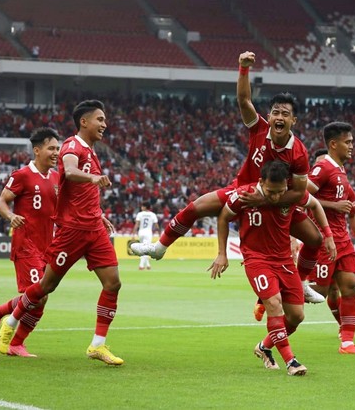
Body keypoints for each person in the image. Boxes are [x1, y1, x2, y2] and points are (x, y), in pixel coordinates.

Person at [132, 51, 333, 303]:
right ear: (269, 116)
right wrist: (242, 68)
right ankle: (159, 248)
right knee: (196, 207)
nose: (279, 117)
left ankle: (301, 281)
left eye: (285, 114)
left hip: (278, 200)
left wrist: (265, 200)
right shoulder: (259, 128)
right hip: (243, 188)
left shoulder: (299, 152)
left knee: (314, 240)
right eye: (275, 112)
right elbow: (243, 99)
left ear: (294, 120)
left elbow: (301, 192)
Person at [0, 100, 124, 365]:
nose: (105, 124)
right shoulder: (71, 146)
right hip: (72, 231)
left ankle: (97, 345)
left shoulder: (93, 151)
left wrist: (100, 215)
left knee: (113, 282)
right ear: (84, 122)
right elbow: (71, 169)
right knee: (46, 286)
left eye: (105, 119)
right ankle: (10, 320)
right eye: (100, 119)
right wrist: (91, 178)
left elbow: (84, 193)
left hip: (94, 230)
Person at [209, 160, 334, 376]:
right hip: (257, 260)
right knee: (274, 305)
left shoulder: (291, 196)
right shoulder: (244, 196)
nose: (276, 197)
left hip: (284, 262)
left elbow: (315, 205)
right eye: (270, 192)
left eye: (280, 192)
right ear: (260, 182)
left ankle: (264, 347)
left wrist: (328, 235)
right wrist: (222, 253)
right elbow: (223, 216)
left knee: (296, 316)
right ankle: (291, 361)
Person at [0, 128, 60, 357]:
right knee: (39, 295)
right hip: (26, 243)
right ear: (37, 150)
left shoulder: (57, 178)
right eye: (51, 148)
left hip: (48, 246)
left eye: (58, 148)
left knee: (40, 297)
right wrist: (11, 216)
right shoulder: (22, 175)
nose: (56, 153)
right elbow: (1, 202)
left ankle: (0, 315)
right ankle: (14, 340)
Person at [306, 121, 355, 355]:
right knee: (319, 293)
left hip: (342, 239)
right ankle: (270, 299)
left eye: (352, 141)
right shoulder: (323, 168)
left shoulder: (341, 170)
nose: (352, 146)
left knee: (353, 285)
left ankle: (347, 343)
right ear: (334, 144)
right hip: (324, 239)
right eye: (348, 142)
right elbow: (302, 196)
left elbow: (346, 205)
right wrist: (336, 204)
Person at [132, 202, 159, 270]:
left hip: (141, 232)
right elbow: (156, 226)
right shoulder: (152, 215)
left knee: (143, 248)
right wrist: (159, 233)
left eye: (142, 206)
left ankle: (148, 264)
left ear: (145, 207)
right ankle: (141, 265)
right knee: (146, 249)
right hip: (148, 233)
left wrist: (133, 233)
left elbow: (136, 224)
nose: (141, 207)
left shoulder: (140, 214)